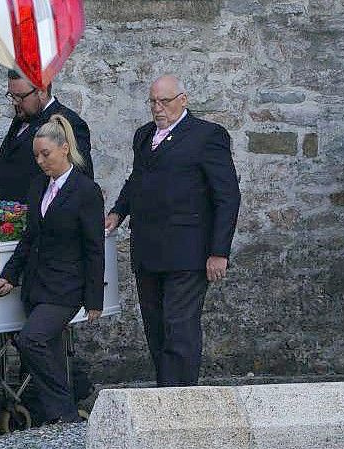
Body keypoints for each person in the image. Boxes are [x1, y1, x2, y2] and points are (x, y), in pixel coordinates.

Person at [104, 75, 240, 387]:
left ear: (183, 99)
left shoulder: (208, 135)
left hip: (187, 250)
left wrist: (219, 251)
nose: (157, 108)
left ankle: (180, 397)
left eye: (164, 101)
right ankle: (165, 390)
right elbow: (136, 179)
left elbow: (227, 195)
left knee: (180, 326)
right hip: (149, 249)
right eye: (153, 101)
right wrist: (118, 211)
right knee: (156, 327)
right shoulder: (143, 136)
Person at [0, 114, 104, 424]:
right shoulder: (37, 186)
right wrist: (10, 275)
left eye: (46, 154)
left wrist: (94, 298)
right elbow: (29, 237)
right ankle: (62, 419)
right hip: (37, 285)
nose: (41, 161)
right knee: (50, 354)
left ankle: (65, 412)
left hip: (66, 288)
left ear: (65, 149)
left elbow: (94, 247)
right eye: (36, 155)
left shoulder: (85, 190)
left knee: (31, 340)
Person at [0, 70, 94, 203]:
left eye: (20, 97)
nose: (15, 103)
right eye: (11, 96)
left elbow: (79, 180)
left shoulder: (68, 123)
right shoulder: (21, 118)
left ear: (42, 91)